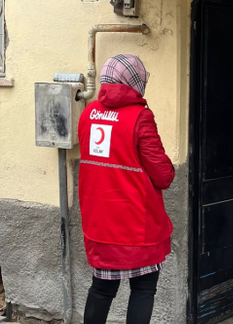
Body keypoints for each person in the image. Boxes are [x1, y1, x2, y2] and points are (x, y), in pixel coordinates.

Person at [78, 54, 175, 324]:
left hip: (99, 224)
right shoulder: (140, 117)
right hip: (136, 227)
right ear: (135, 80)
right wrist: (171, 170)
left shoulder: (88, 114)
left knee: (101, 289)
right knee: (143, 289)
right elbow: (162, 175)